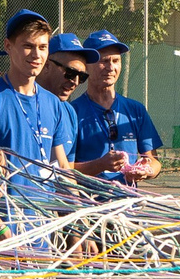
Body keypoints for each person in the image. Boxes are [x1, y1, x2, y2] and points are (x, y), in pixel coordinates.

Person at [0, 12, 83, 234]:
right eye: (28, 46)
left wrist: (80, 226)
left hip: (40, 235)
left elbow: (62, 168)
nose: (36, 54)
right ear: (8, 46)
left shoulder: (53, 104)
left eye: (42, 47)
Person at [69, 28, 164, 189]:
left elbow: (154, 162)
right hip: (88, 202)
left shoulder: (136, 110)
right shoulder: (72, 112)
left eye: (116, 60)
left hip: (127, 202)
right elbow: (64, 168)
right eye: (104, 61)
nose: (110, 67)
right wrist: (99, 165)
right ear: (86, 66)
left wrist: (145, 170)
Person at [39, 30, 96, 101]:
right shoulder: (26, 101)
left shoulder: (67, 108)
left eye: (82, 77)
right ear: (46, 65)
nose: (76, 82)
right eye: (70, 73)